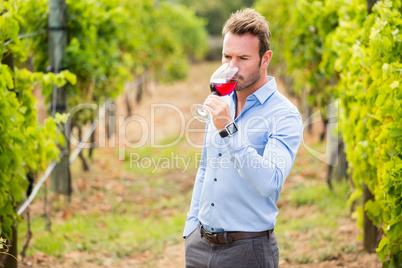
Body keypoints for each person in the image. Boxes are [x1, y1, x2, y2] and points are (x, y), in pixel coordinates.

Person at [183, 8, 303, 268]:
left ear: (265, 58)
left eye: (243, 58)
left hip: (248, 251)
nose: (232, 68)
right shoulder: (222, 101)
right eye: (227, 56)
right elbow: (206, 167)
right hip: (199, 248)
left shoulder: (283, 115)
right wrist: (191, 228)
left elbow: (270, 181)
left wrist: (228, 129)